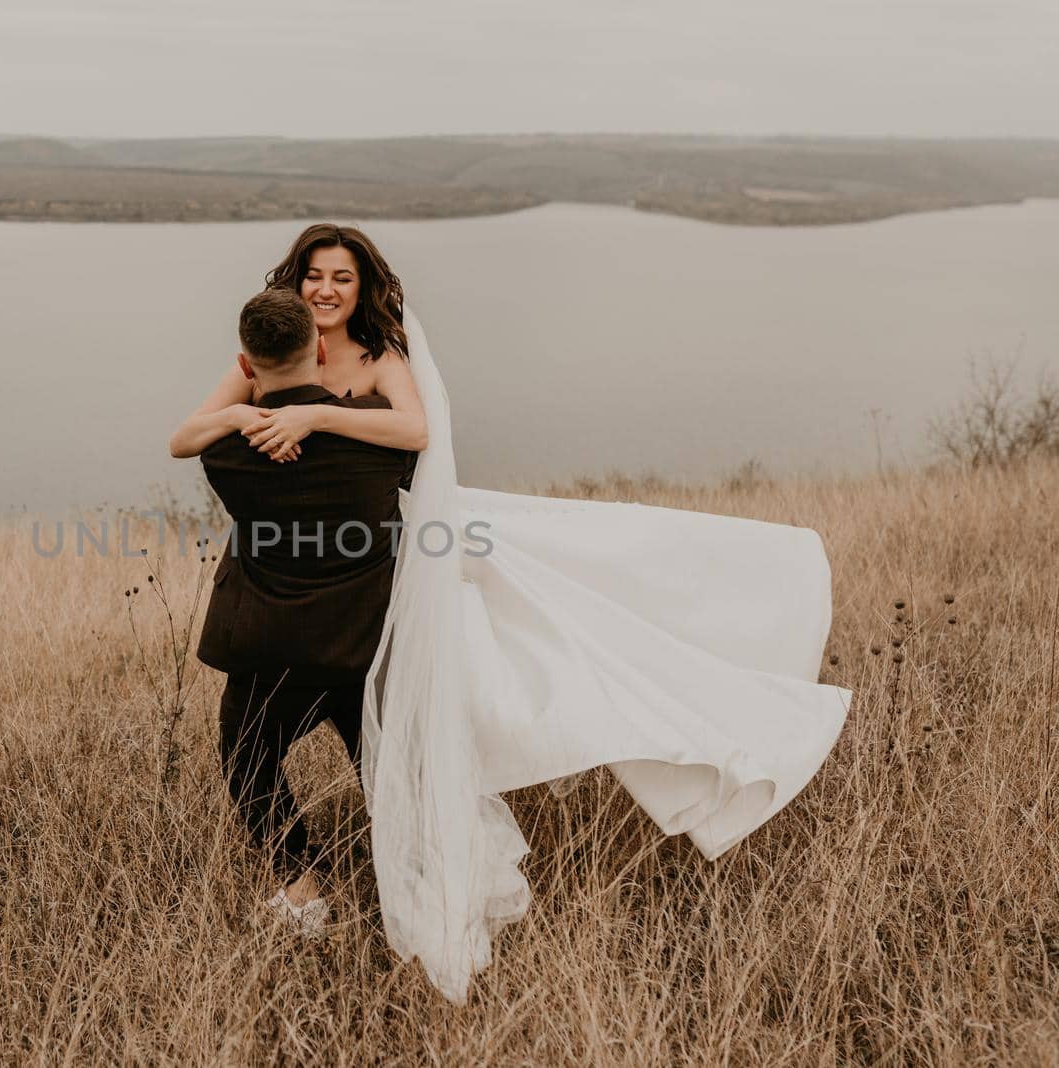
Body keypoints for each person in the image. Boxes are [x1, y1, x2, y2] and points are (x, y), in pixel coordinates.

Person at [170, 223, 853, 1004]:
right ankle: (379, 884)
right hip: (346, 590)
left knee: (388, 759)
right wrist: (251, 415)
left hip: (375, 594)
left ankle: (395, 888)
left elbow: (416, 432)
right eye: (315, 276)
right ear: (294, 286)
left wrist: (308, 417)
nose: (326, 289)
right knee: (372, 757)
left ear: (362, 290)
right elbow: (192, 432)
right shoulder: (269, 364)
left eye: (342, 278)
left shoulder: (370, 361)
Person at [189, 285, 416, 934]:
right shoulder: (380, 437)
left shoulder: (226, 449)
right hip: (361, 642)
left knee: (247, 757)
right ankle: (413, 875)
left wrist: (238, 408)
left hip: (272, 648)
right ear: (320, 346)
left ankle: (302, 885)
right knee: (382, 768)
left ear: (246, 362)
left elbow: (194, 431)